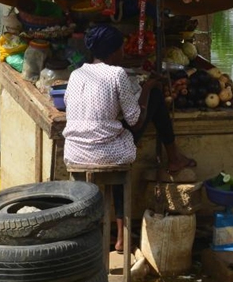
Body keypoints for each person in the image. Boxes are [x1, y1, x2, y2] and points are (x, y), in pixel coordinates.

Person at [63, 24, 196, 251]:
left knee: (115, 140)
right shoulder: (117, 74)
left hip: (75, 151)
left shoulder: (76, 74)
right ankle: (173, 157)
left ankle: (106, 237)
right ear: (114, 51)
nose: (124, 54)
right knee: (151, 98)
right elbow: (135, 120)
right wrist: (147, 88)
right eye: (122, 49)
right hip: (106, 151)